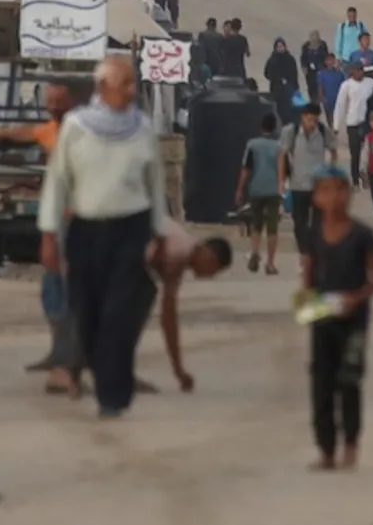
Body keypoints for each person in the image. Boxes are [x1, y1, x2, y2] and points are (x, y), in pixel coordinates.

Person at [38, 57, 168, 418]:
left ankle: (113, 397)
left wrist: (160, 235)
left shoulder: (142, 128)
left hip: (131, 229)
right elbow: (58, 182)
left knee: (119, 313)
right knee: (87, 312)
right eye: (125, 83)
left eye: (133, 83)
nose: (132, 90)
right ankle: (100, 371)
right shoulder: (77, 127)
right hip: (85, 231)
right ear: (104, 87)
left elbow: (155, 186)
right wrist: (49, 234)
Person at [0, 77, 88, 393]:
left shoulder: (86, 133)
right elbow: (27, 134)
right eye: (50, 99)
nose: (52, 104)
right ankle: (64, 360)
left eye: (58, 99)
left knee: (70, 293)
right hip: (59, 221)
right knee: (54, 293)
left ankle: (66, 366)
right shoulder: (51, 130)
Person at [305, 167, 373, 471]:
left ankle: (351, 443)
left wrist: (357, 298)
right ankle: (326, 449)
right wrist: (309, 310)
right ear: (316, 198)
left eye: (341, 189)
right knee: (321, 384)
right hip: (323, 317)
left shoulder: (363, 235)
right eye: (326, 190)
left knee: (349, 380)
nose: (335, 197)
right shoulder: (314, 236)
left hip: (355, 321)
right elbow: (309, 278)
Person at [148, 216, 234, 394]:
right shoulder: (180, 251)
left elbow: (168, 318)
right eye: (214, 271)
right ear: (211, 258)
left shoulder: (182, 250)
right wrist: (179, 371)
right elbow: (168, 318)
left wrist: (178, 370)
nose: (210, 277)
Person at [280, 103, 339, 267]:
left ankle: (315, 256)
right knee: (300, 223)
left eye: (314, 120)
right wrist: (281, 181)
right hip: (298, 184)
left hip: (319, 185)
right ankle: (303, 255)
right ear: (302, 117)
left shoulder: (322, 131)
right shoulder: (290, 132)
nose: (311, 124)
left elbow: (333, 150)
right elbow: (282, 156)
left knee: (318, 223)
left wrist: (332, 172)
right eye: (309, 119)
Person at [237, 115, 285, 274]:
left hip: (256, 189)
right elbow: (282, 171)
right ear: (274, 128)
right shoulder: (279, 147)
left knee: (256, 224)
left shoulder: (252, 145)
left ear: (261, 127)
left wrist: (240, 189)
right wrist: (282, 189)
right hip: (273, 190)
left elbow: (246, 169)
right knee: (272, 228)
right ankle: (270, 264)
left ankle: (255, 252)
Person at [332, 61, 373, 187]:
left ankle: (368, 176)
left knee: (369, 152)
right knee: (355, 152)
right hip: (353, 122)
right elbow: (340, 105)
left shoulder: (370, 83)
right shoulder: (346, 85)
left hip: (368, 122)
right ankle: (355, 178)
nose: (359, 73)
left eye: (361, 70)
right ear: (352, 71)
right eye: (357, 70)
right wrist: (336, 125)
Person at [265, 38, 301, 124]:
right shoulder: (272, 59)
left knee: (288, 109)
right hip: (276, 89)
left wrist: (295, 86)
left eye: (282, 46)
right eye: (278, 46)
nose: (280, 48)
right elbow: (267, 73)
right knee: (278, 109)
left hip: (288, 89)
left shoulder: (290, 59)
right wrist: (276, 79)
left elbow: (294, 73)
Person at [300, 31, 330, 104]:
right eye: (312, 37)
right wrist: (304, 67)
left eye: (316, 37)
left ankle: (321, 100)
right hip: (310, 72)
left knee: (320, 86)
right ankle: (313, 102)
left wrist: (326, 68)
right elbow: (303, 58)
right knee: (311, 87)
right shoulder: (306, 46)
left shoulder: (322, 45)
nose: (314, 39)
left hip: (320, 70)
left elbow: (326, 56)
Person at [193, 17, 224, 83]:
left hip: (205, 61)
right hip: (216, 62)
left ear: (207, 25)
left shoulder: (202, 35)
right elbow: (222, 50)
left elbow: (199, 47)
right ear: (215, 26)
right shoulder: (220, 36)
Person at [316, 53, 347, 120]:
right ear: (325, 62)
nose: (330, 62)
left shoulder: (340, 73)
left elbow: (344, 86)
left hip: (339, 100)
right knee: (330, 118)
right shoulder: (322, 74)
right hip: (328, 100)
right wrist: (322, 98)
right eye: (328, 60)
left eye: (332, 59)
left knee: (340, 118)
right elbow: (320, 86)